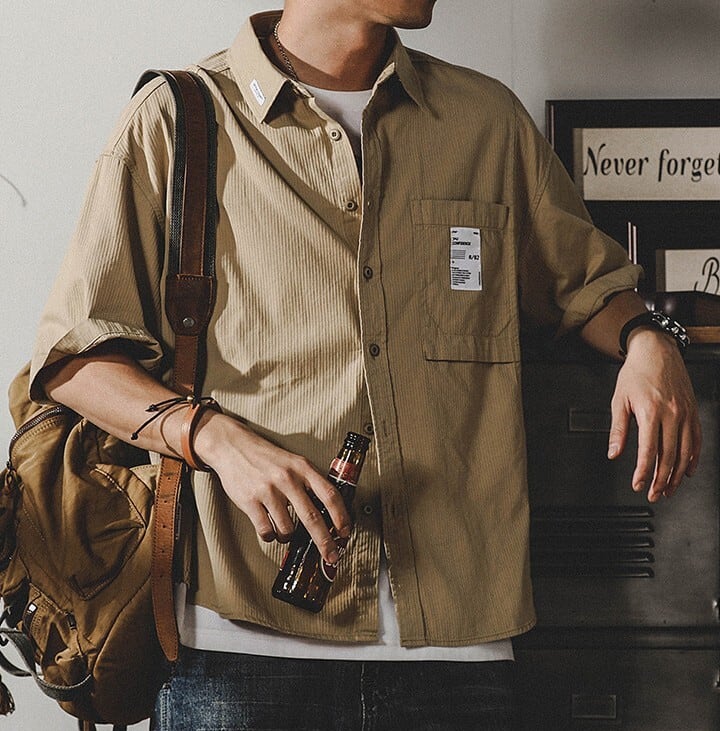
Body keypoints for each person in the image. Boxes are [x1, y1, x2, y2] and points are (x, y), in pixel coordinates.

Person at [31, 1, 700, 728]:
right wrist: (215, 439)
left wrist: (648, 339)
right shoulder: (180, 118)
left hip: (458, 649)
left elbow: (584, 284)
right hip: (239, 642)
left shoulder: (485, 123)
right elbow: (74, 360)